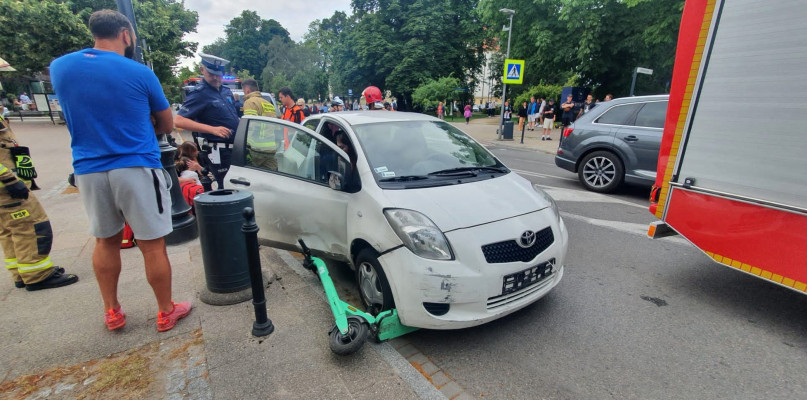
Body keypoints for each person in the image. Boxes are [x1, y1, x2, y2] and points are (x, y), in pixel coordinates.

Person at [50, 9, 191, 331]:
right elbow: (166, 123)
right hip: (136, 164)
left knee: (105, 241)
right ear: (126, 35)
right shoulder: (138, 72)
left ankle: (112, 312)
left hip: (88, 167)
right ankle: (165, 311)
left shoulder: (60, 68)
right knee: (152, 243)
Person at [0, 115, 78, 291]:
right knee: (30, 227)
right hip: (7, 187)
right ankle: (37, 275)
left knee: (9, 229)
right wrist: (9, 179)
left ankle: (21, 272)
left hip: (6, 188)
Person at [174, 52, 239, 189]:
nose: (216, 78)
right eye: (211, 74)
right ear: (202, 70)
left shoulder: (226, 91)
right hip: (217, 151)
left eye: (218, 74)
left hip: (234, 149)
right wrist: (212, 129)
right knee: (224, 189)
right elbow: (179, 121)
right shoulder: (199, 93)